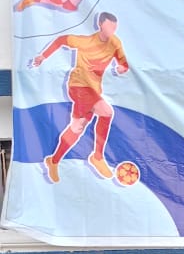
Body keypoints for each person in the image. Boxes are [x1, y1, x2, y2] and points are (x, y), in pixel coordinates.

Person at [31, 11, 128, 182]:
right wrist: (43, 56)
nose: (112, 30)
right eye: (109, 26)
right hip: (78, 86)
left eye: (115, 27)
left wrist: (121, 68)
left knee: (77, 127)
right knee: (106, 112)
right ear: (100, 25)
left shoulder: (115, 43)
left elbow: (124, 63)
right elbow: (61, 40)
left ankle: (53, 160)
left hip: (93, 91)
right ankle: (97, 157)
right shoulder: (85, 41)